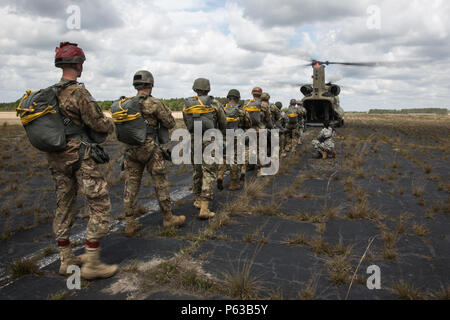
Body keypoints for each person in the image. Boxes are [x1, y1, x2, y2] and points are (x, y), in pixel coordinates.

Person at [49, 42, 117, 280]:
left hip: (57, 159)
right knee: (99, 204)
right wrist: (110, 123)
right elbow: (97, 124)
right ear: (78, 64)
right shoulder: (79, 93)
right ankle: (92, 262)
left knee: (64, 204)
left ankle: (66, 259)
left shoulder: (49, 94)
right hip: (80, 157)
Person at [120, 71, 185, 236]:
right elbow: (170, 122)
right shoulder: (154, 103)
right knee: (160, 183)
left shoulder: (125, 104)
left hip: (130, 149)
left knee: (131, 186)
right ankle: (168, 218)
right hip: (150, 148)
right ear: (150, 84)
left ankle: (129, 223)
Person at [182, 78, 226, 219]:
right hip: (210, 140)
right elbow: (223, 122)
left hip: (194, 139)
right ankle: (205, 208)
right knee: (209, 171)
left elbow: (187, 122)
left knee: (197, 170)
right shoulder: (214, 104)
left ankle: (197, 200)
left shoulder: (187, 104)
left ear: (195, 89)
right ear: (208, 89)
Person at [217, 89, 251, 191]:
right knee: (234, 159)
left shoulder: (221, 109)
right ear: (238, 99)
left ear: (228, 97)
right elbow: (248, 124)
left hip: (222, 136)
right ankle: (233, 183)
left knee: (223, 157)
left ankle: (220, 175)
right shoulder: (241, 111)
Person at [243, 88, 272, 177]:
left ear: (252, 94)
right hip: (260, 130)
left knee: (249, 148)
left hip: (249, 130)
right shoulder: (264, 105)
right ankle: (261, 170)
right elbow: (268, 118)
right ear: (261, 94)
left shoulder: (247, 103)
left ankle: (245, 167)